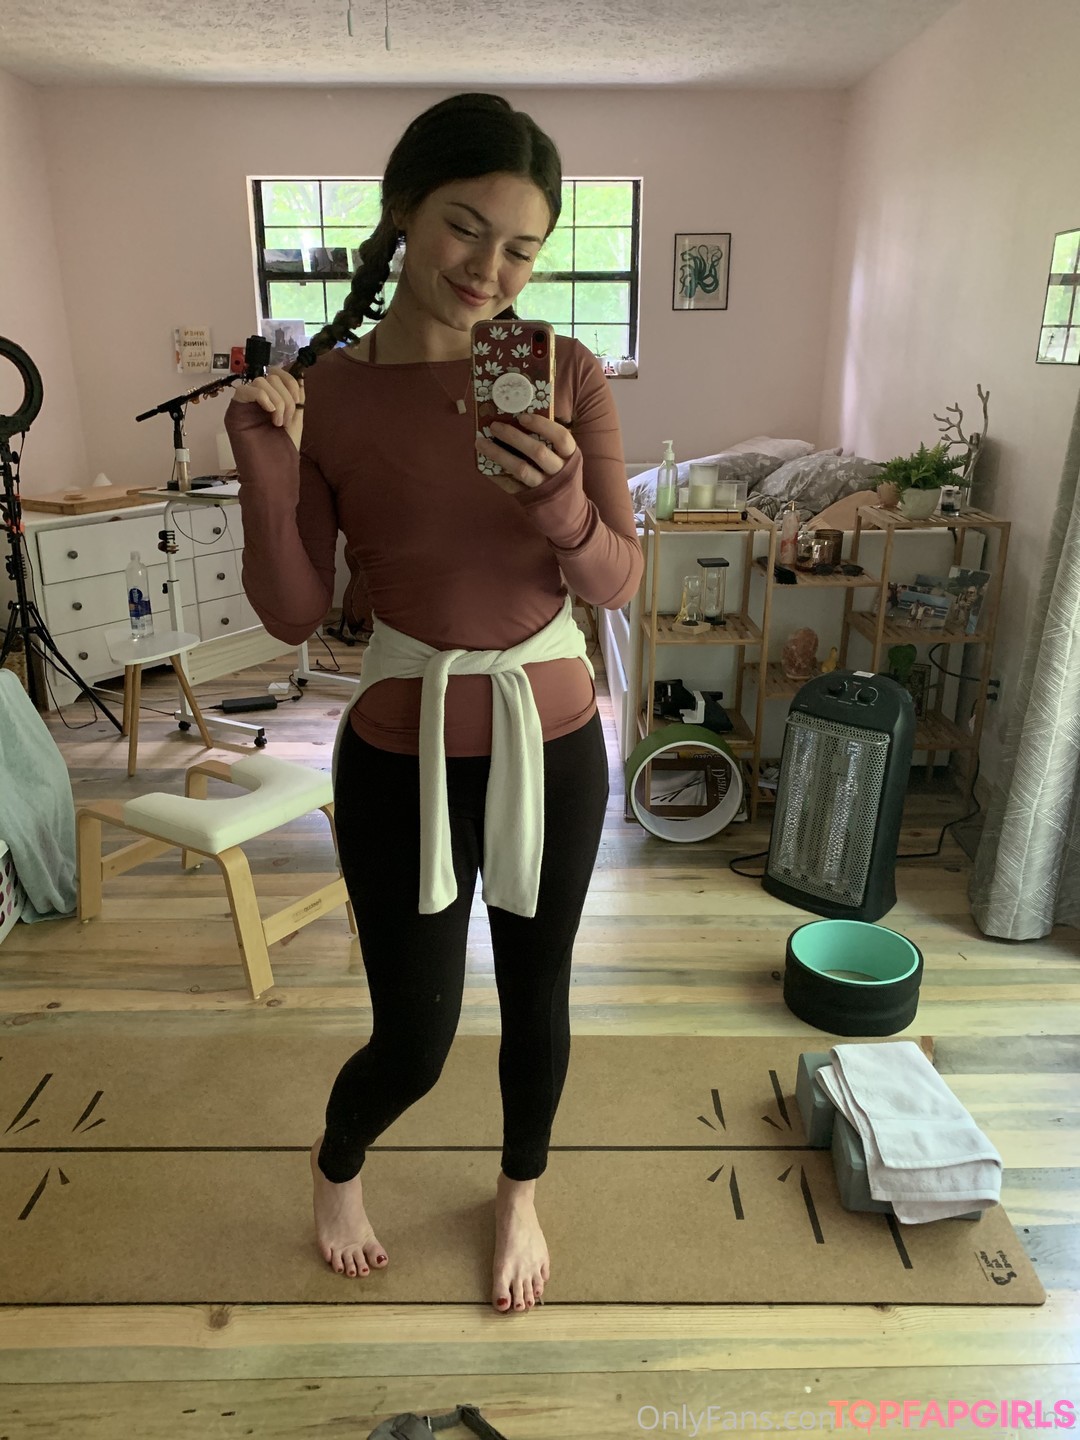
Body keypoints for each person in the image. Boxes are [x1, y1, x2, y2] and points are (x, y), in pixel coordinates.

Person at [224, 92, 642, 1315]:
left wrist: (562, 506)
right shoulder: (328, 392)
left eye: (522, 250)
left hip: (555, 743)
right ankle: (336, 1164)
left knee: (539, 1001)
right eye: (466, 227)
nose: (489, 271)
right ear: (404, 207)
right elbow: (294, 613)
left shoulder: (563, 372)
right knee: (413, 1035)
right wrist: (264, 463)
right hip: (399, 752)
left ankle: (519, 1191)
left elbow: (617, 579)